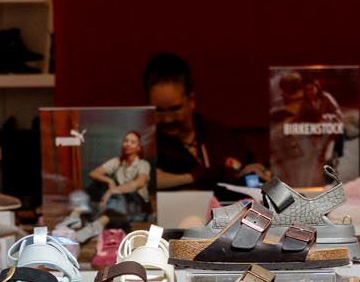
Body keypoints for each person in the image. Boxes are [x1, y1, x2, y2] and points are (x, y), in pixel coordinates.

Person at [143, 51, 258, 190]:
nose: (167, 119)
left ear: (191, 101)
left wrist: (256, 176)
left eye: (175, 109)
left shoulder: (219, 137)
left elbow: (251, 176)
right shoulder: (144, 146)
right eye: (159, 110)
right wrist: (192, 177)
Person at [87, 129, 153, 223]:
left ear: (138, 148)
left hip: (138, 203)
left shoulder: (143, 164)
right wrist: (109, 181)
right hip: (120, 199)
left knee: (124, 193)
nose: (128, 144)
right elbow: (93, 173)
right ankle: (98, 213)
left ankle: (105, 214)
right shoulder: (117, 161)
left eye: (132, 142)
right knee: (96, 185)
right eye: (126, 141)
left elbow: (139, 183)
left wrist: (112, 191)